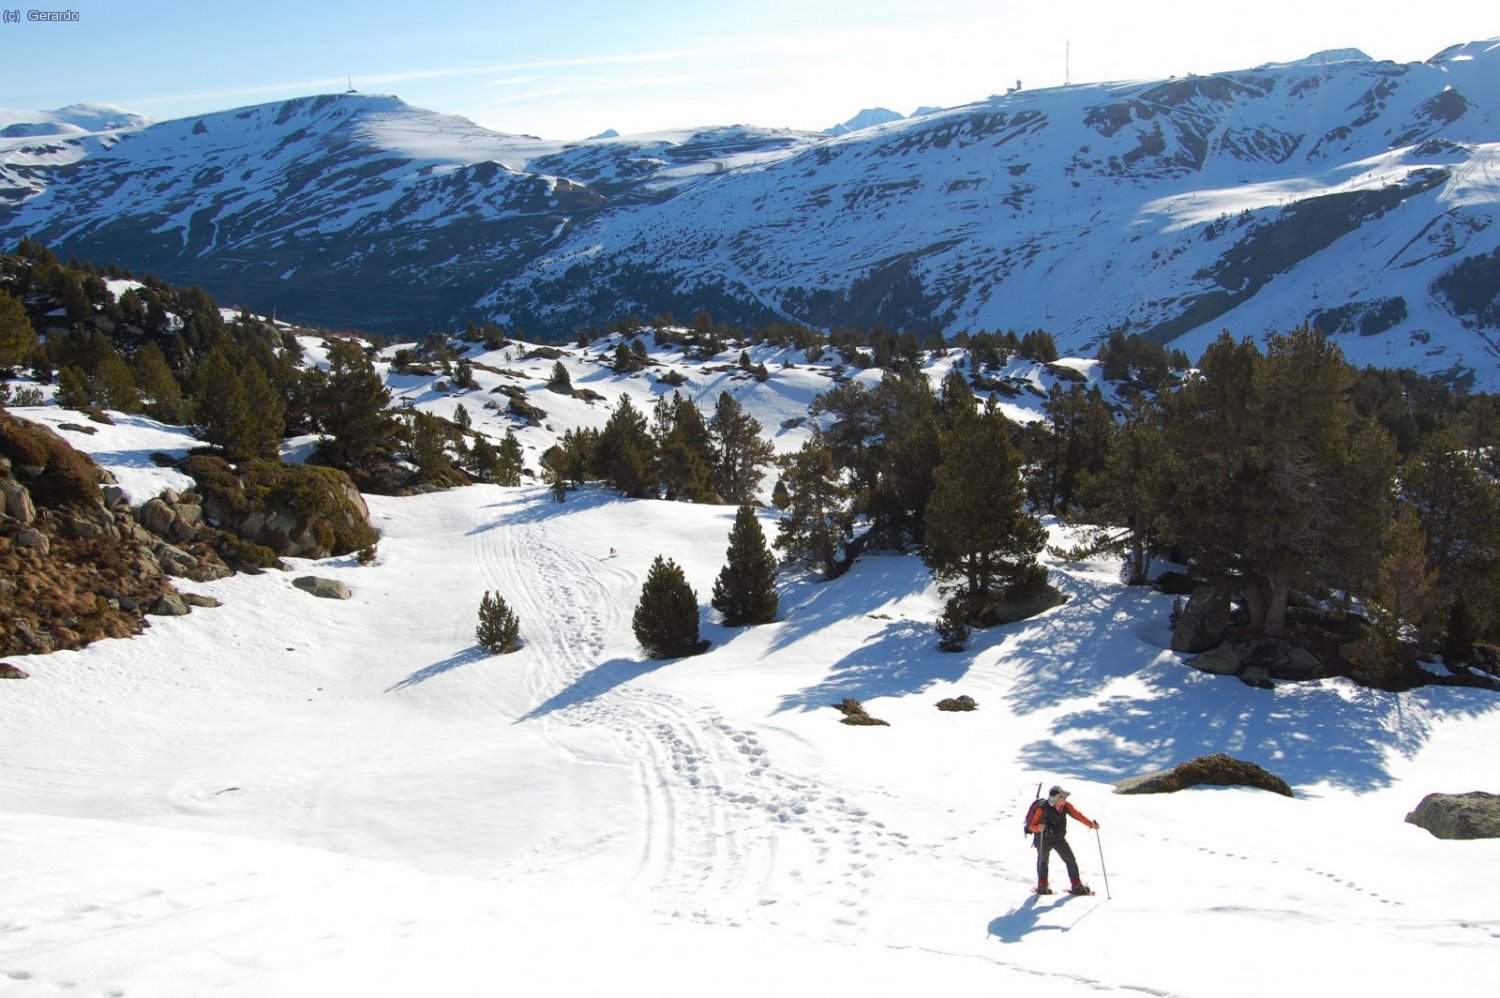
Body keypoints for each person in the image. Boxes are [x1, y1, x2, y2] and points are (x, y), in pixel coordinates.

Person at [1027, 785, 1099, 895]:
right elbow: (1032, 826)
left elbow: (1078, 815)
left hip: (1059, 839)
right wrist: (1038, 828)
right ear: (1056, 798)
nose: (1065, 799)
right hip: (1043, 840)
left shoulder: (1066, 806)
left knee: (1070, 860)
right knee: (1043, 862)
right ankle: (1043, 885)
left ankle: (1076, 884)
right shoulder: (1042, 808)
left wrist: (1091, 825)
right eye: (1063, 797)